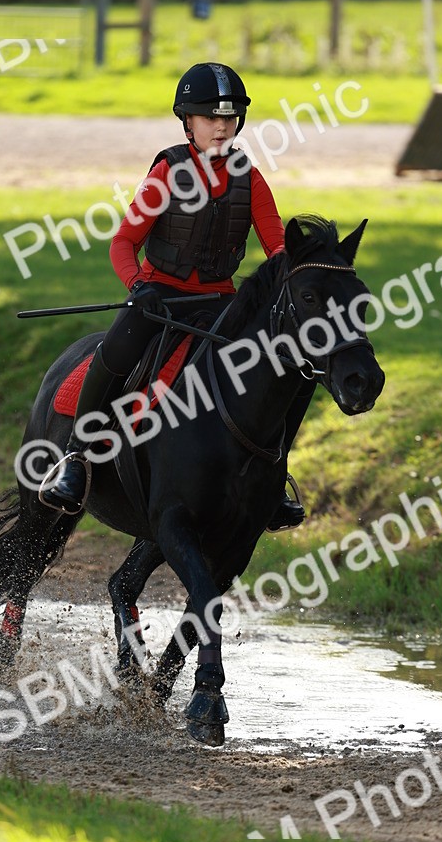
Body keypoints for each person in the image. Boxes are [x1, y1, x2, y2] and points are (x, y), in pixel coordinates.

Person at [41, 61, 307, 530]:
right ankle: (77, 459)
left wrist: (300, 274)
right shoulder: (167, 171)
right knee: (119, 350)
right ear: (188, 122)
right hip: (158, 298)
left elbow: (276, 246)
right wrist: (137, 288)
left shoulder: (250, 178)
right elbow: (123, 243)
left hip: (222, 303)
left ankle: (273, 475)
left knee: (281, 369)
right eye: (210, 117)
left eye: (229, 118)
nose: (221, 126)